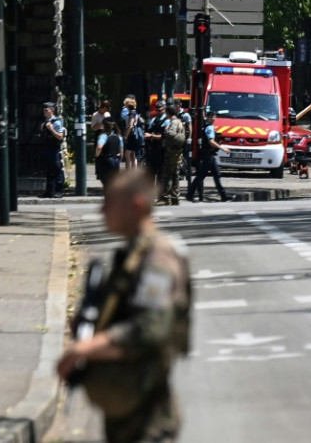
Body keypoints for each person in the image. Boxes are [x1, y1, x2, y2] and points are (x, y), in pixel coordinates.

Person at [57, 169, 191, 443]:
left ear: (136, 205)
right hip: (126, 406)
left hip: (148, 414)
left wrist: (85, 349)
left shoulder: (157, 259)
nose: (101, 209)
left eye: (109, 201)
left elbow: (151, 328)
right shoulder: (132, 254)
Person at [186, 112, 232, 203]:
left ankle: (224, 196)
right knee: (201, 176)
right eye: (211, 117)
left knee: (216, 175)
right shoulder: (209, 127)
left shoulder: (208, 126)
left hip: (210, 155)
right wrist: (222, 148)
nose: (213, 119)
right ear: (207, 117)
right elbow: (211, 141)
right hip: (208, 155)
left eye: (214, 117)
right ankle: (189, 194)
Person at [156, 106, 185, 206]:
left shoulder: (173, 123)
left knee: (167, 176)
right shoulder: (180, 122)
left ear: (168, 113)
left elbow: (171, 134)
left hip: (170, 153)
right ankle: (175, 198)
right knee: (175, 176)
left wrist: (166, 130)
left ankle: (165, 198)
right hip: (177, 153)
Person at [39, 102, 65, 198]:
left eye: (46, 110)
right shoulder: (46, 121)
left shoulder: (56, 122)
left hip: (54, 149)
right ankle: (49, 191)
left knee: (57, 169)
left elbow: (60, 136)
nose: (44, 112)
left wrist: (51, 129)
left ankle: (59, 191)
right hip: (47, 148)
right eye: (44, 110)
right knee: (49, 170)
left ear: (52, 110)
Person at [94, 117, 123, 191]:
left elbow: (99, 147)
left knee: (105, 179)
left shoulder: (103, 136)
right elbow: (121, 149)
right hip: (116, 159)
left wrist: (97, 155)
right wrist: (120, 158)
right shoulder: (119, 136)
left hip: (106, 160)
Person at [145, 100, 168, 186]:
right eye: (157, 110)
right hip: (153, 149)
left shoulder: (167, 121)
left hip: (162, 150)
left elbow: (163, 136)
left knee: (160, 173)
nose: (158, 112)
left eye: (160, 110)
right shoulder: (154, 120)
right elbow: (149, 131)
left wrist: (151, 136)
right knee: (151, 172)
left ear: (164, 109)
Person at [171, 98, 192, 187]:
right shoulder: (175, 115)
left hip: (184, 138)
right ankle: (180, 172)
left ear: (179, 105)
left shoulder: (185, 115)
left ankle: (185, 172)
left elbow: (190, 126)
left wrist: (189, 138)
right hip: (176, 139)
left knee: (184, 156)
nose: (175, 106)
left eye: (176, 105)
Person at [123, 98, 144, 170]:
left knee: (127, 154)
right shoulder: (136, 112)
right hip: (135, 136)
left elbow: (131, 126)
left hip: (132, 136)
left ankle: (128, 171)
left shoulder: (132, 113)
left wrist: (126, 136)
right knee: (133, 155)